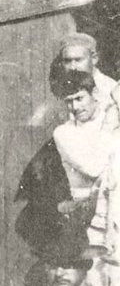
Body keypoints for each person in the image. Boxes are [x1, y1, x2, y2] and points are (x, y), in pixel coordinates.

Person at [49, 68, 120, 249]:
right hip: (89, 224)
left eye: (80, 98)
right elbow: (94, 167)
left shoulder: (113, 119)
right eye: (69, 101)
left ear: (94, 93)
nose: (75, 107)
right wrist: (108, 126)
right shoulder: (64, 133)